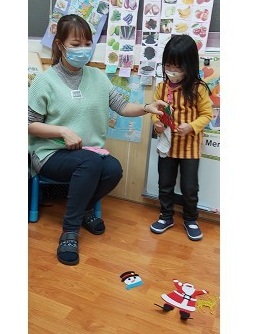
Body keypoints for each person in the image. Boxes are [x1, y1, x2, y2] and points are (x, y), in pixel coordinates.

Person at [28, 14, 167, 266]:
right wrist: (62, 131)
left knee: (113, 169)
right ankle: (70, 231)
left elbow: (122, 106)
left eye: (87, 43)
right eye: (76, 44)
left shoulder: (98, 77)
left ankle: (82, 211)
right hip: (50, 153)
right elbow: (29, 124)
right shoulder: (44, 81)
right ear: (60, 45)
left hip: (86, 153)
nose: (83, 49)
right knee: (91, 163)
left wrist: (147, 107)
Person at [150, 35, 212, 240]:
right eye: (168, 65)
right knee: (165, 184)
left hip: (189, 148)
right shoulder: (161, 87)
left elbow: (207, 115)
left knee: (189, 187)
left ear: (189, 65)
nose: (172, 71)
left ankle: (191, 219)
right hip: (167, 146)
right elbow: (155, 111)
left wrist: (192, 127)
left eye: (177, 67)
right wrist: (156, 122)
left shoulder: (198, 88)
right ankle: (166, 216)